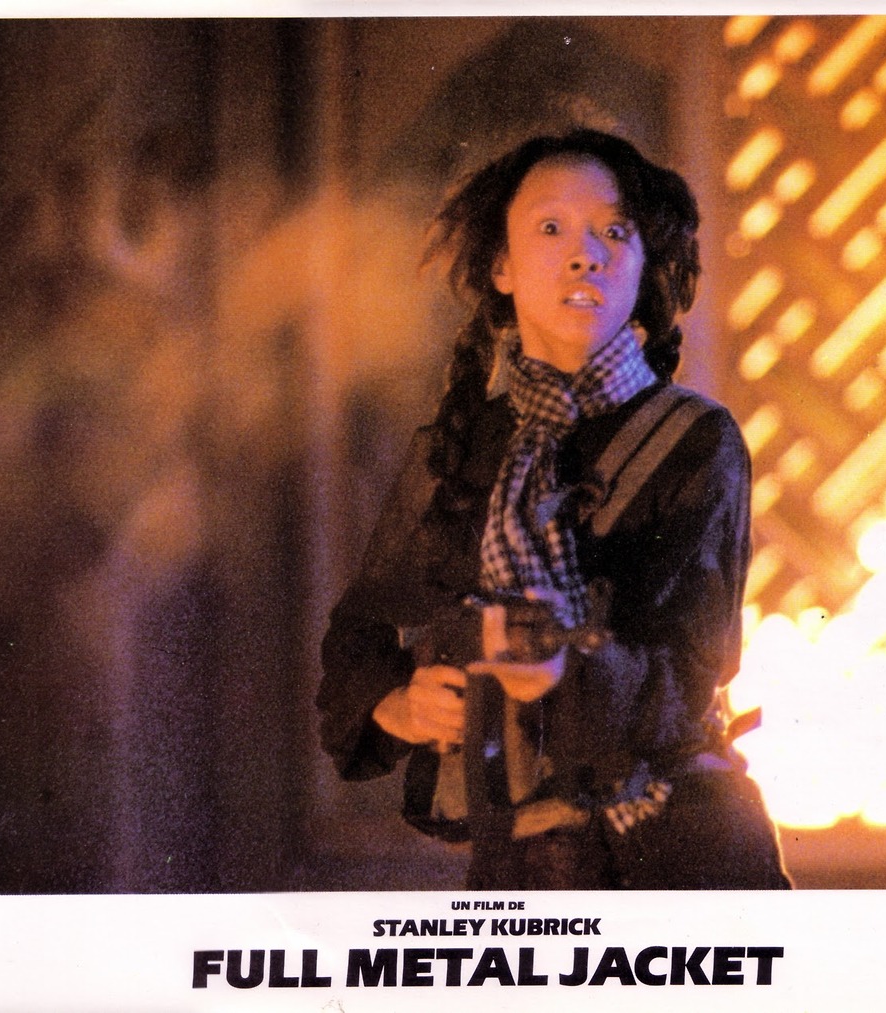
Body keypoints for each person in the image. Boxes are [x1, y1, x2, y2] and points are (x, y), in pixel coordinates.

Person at [318, 128, 791, 890]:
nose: (585, 255)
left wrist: (567, 673)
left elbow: (693, 673)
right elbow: (360, 627)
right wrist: (402, 703)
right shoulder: (466, 445)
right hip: (520, 869)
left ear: (643, 264)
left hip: (674, 858)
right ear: (501, 267)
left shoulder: (697, 440)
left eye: (615, 231)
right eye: (551, 228)